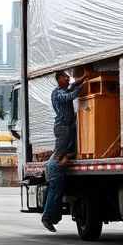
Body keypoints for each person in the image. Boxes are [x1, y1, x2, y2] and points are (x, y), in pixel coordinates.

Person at [41, 70, 87, 232]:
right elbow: (69, 96)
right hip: (62, 128)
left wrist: (81, 80)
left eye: (69, 77)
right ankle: (47, 218)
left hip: (67, 128)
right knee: (55, 191)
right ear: (59, 79)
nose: (68, 79)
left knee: (57, 193)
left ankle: (50, 218)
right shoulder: (57, 93)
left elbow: (72, 86)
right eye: (65, 77)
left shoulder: (65, 88)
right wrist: (82, 88)